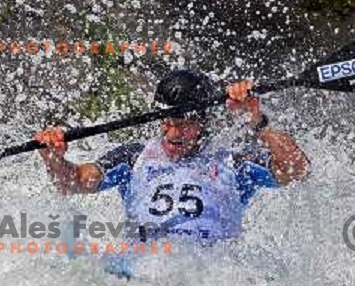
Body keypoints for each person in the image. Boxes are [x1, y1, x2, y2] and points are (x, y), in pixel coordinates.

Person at [35, 70, 310, 247]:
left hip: (210, 284)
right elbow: (72, 183)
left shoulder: (234, 162)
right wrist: (53, 158)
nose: (173, 132)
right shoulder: (134, 158)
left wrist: (257, 121)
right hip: (138, 277)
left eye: (185, 123)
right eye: (166, 121)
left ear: (204, 122)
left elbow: (297, 169)